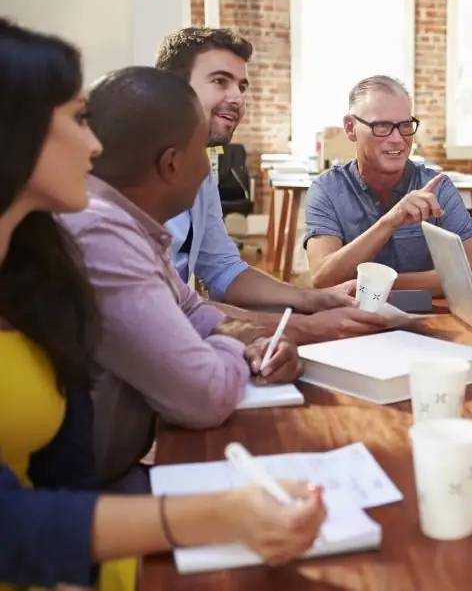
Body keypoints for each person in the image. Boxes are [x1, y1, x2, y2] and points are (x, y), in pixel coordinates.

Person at [0, 19, 324, 591]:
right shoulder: (93, 229)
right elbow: (198, 385)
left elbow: (194, 310)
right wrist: (216, 515)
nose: (96, 144)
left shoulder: (42, 246)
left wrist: (251, 338)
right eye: (78, 119)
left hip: (74, 533)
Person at [61, 66, 303, 492]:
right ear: (172, 164)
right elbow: (204, 395)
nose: (209, 168)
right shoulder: (100, 234)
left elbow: (190, 307)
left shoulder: (131, 222)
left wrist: (253, 343)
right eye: (202, 154)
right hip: (81, 497)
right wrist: (227, 344)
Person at [156, 27, 387, 344]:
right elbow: (167, 308)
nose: (237, 98)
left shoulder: (201, 168)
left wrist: (311, 299)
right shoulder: (134, 177)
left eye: (242, 86)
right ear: (173, 90)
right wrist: (310, 328)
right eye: (220, 82)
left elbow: (222, 268)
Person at [304, 75, 472, 295]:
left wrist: (377, 285)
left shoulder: (437, 187)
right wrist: (390, 221)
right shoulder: (326, 189)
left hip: (425, 320)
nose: (397, 139)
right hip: (350, 320)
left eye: (405, 125)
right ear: (350, 127)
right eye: (381, 126)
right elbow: (322, 280)